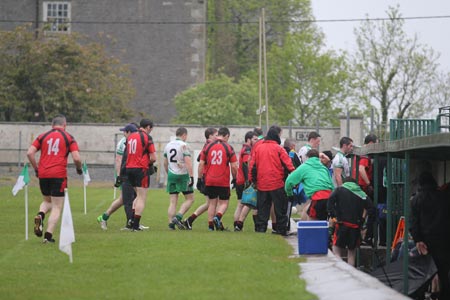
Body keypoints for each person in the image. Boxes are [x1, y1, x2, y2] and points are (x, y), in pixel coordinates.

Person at [27, 114, 82, 243]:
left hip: (43, 174)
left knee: (47, 202)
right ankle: (48, 236)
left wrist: (36, 168)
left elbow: (30, 153)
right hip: (58, 175)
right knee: (57, 206)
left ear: (52, 125)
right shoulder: (69, 138)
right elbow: (77, 158)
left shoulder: (42, 136)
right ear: (65, 125)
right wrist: (79, 169)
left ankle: (40, 215)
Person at [410, 171, 450, 299]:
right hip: (444, 240)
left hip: (425, 242)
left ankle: (419, 296)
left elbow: (414, 223)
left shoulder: (416, 199)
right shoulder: (444, 196)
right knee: (443, 273)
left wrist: (418, 240)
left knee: (423, 274)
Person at [249, 125, 295, 236]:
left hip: (262, 185)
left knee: (263, 210)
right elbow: (289, 165)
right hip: (277, 184)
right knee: (280, 210)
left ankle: (260, 229)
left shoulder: (259, 148)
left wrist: (252, 180)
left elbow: (252, 166)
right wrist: (293, 180)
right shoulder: (279, 149)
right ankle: (281, 230)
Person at [97, 123, 138, 230]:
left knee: (126, 199)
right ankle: (132, 222)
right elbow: (119, 160)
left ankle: (106, 217)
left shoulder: (133, 140)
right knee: (129, 198)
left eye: (124, 131)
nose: (123, 133)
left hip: (131, 173)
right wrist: (119, 176)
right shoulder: (123, 142)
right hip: (125, 174)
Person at [198, 127, 238, 231]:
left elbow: (201, 164)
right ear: (227, 136)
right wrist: (235, 178)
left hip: (210, 179)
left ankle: (211, 226)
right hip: (223, 180)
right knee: (224, 203)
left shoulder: (208, 146)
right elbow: (234, 166)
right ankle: (218, 217)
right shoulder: (228, 147)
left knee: (212, 203)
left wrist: (199, 178)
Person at [327, 177, 372, 267]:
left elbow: (330, 201)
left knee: (336, 250)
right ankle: (350, 272)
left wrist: (333, 216)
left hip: (341, 225)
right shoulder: (361, 194)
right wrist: (363, 221)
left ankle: (341, 269)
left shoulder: (339, 190)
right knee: (352, 253)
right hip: (355, 227)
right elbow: (370, 207)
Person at [183, 127, 218, 229]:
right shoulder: (209, 145)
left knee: (210, 203)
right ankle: (191, 220)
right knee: (211, 203)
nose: (217, 137)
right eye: (216, 135)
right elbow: (200, 159)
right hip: (208, 177)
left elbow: (199, 157)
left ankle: (190, 220)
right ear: (210, 136)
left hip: (207, 177)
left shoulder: (208, 145)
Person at [285, 149, 334, 221]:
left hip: (318, 198)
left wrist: (289, 194)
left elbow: (289, 182)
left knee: (312, 222)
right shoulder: (324, 168)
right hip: (329, 197)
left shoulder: (304, 167)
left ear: (307, 157)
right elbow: (331, 185)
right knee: (307, 212)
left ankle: (307, 231)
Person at [126, 118, 157, 231]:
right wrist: (147, 162)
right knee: (142, 197)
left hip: (129, 168)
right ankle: (135, 225)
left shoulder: (130, 136)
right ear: (148, 127)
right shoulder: (146, 137)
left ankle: (131, 221)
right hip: (140, 169)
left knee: (138, 196)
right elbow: (153, 158)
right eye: (151, 128)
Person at [163, 127, 195, 230]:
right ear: (184, 135)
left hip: (172, 174)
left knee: (173, 201)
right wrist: (192, 177)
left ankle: (170, 224)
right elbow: (188, 162)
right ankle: (178, 216)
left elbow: (165, 162)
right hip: (182, 175)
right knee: (190, 199)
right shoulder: (183, 145)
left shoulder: (168, 145)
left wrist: (169, 173)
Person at [352, 134, 377, 245]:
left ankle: (360, 230)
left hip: (358, 187)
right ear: (371, 143)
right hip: (361, 187)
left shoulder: (361, 152)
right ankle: (362, 230)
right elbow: (361, 169)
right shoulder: (365, 155)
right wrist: (369, 183)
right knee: (369, 208)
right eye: (376, 143)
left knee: (364, 209)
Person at [233, 131, 258, 231]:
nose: (256, 141)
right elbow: (246, 165)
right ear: (249, 140)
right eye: (255, 139)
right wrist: (249, 181)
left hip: (240, 180)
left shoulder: (245, 149)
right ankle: (239, 225)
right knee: (248, 204)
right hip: (245, 181)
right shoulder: (247, 150)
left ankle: (236, 225)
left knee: (240, 204)